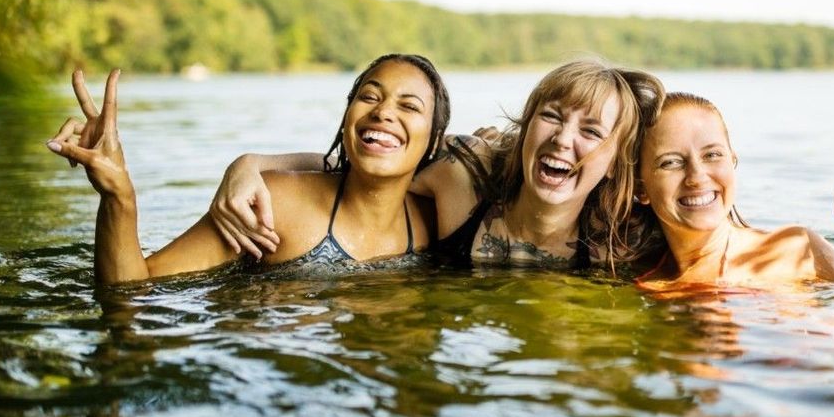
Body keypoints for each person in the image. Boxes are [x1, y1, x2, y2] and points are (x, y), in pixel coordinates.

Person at [211, 58, 664, 272]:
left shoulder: (622, 239)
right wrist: (253, 163)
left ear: (613, 163)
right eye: (551, 117)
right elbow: (374, 164)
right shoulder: (462, 176)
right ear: (526, 128)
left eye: (590, 131)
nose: (563, 140)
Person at [46, 54, 451, 283]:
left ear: (434, 140)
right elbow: (135, 289)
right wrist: (119, 196)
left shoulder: (440, 220)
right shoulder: (274, 202)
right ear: (347, 117)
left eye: (409, 106)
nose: (382, 113)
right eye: (369, 96)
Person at [633, 92, 834, 292]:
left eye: (712, 155)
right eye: (671, 162)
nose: (696, 177)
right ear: (641, 189)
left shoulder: (796, 249)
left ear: (733, 162)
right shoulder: (652, 286)